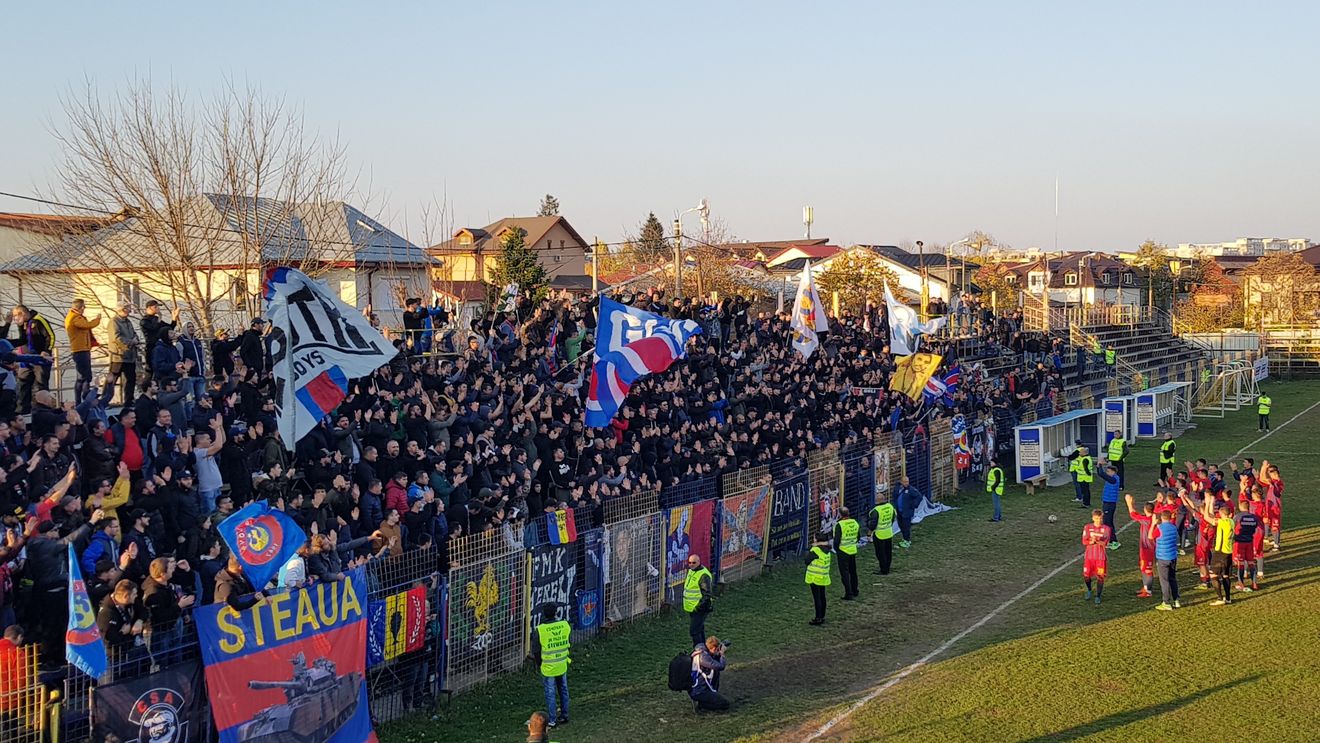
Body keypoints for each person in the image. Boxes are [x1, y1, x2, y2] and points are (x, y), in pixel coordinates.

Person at [530, 604, 570, 728]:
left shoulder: (541, 630)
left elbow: (536, 650)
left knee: (550, 692)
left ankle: (552, 720)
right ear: (556, 613)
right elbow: (568, 641)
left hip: (548, 666)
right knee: (563, 689)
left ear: (544, 614)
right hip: (562, 663)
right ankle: (565, 714)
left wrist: (539, 663)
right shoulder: (564, 625)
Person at [103, 302, 142, 404]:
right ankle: (104, 400)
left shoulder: (128, 321)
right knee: (113, 379)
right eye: (127, 309)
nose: (129, 311)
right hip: (118, 356)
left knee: (131, 379)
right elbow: (116, 338)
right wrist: (131, 342)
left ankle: (129, 400)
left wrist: (136, 340)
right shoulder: (114, 322)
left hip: (130, 355)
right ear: (121, 310)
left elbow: (134, 334)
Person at [64, 299, 101, 404]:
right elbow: (86, 325)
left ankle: (86, 396)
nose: (84, 309)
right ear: (79, 308)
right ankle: (80, 400)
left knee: (86, 376)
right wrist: (97, 319)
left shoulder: (75, 317)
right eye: (83, 307)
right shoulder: (74, 318)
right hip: (79, 350)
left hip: (83, 348)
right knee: (82, 376)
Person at [1125, 494, 1156, 597]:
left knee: (1147, 568)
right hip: (1146, 548)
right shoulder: (1153, 519)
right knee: (1143, 567)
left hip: (1148, 548)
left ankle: (1148, 591)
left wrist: (1129, 503)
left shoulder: (1146, 521)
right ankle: (1145, 587)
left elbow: (1133, 514)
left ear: (1145, 510)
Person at [689, 636, 730, 712]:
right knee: (725, 704)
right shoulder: (703, 656)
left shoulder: (702, 651)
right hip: (700, 690)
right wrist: (722, 654)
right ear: (713, 648)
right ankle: (703, 705)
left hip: (700, 688)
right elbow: (720, 666)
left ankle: (705, 701)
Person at [682, 553, 714, 648]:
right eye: (689, 562)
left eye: (694, 563)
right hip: (693, 607)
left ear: (699, 562)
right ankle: (704, 649)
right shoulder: (692, 571)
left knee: (694, 631)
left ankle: (699, 651)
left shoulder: (703, 575)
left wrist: (698, 607)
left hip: (700, 608)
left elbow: (707, 594)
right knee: (699, 629)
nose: (691, 564)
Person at [1081, 509, 1112, 605]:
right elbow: (1084, 541)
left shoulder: (1106, 529)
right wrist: (1090, 541)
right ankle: (1089, 590)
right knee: (1086, 576)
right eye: (1096, 518)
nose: (1098, 520)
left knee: (1100, 577)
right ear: (1093, 518)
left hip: (1100, 558)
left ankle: (1098, 596)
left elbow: (1105, 543)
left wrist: (1096, 540)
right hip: (1089, 557)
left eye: (1100, 518)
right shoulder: (1087, 527)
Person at [1152, 510, 1181, 610]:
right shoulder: (1173, 527)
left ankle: (1166, 602)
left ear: (1162, 518)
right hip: (1172, 556)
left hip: (1163, 558)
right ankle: (1176, 600)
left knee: (1164, 580)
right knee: (1172, 578)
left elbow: (1150, 536)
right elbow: (1177, 540)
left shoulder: (1160, 529)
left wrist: (1153, 524)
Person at [1209, 502, 1235, 606]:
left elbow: (1208, 517)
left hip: (1220, 552)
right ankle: (1228, 598)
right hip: (1229, 551)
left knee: (1213, 575)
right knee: (1225, 575)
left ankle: (1220, 598)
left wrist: (1209, 502)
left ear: (1221, 514)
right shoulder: (1231, 522)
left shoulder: (1222, 522)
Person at [1232, 499, 1261, 592]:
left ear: (1241, 507)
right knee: (1251, 563)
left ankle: (1241, 583)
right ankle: (1254, 583)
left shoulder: (1237, 517)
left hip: (1239, 543)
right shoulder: (1254, 517)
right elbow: (1256, 527)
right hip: (1250, 541)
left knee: (1240, 563)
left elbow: (1232, 527)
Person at [832, 507, 859, 600]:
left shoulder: (839, 525)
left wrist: (837, 549)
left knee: (845, 573)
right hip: (852, 550)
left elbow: (836, 540)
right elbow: (858, 536)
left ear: (840, 514)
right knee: (853, 572)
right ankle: (855, 590)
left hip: (843, 551)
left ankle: (849, 593)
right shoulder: (855, 522)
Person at [805, 533, 832, 625]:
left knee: (817, 599)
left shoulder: (815, 550)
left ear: (816, 540)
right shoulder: (827, 550)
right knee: (822, 597)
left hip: (815, 577)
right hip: (823, 576)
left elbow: (807, 561)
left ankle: (818, 618)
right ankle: (822, 616)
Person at [868, 493, 896, 575]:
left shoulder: (876, 510)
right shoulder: (890, 506)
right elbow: (893, 518)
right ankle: (887, 567)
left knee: (880, 553)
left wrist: (869, 534)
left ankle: (884, 570)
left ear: (877, 500)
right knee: (888, 552)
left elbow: (873, 524)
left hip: (879, 534)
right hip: (888, 532)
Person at [1096, 463, 1122, 549]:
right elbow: (1101, 474)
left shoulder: (1113, 479)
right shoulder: (1113, 479)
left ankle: (1114, 541)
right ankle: (1111, 540)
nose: (1107, 473)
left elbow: (1101, 474)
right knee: (1108, 522)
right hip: (1109, 502)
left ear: (1113, 472)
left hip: (1109, 503)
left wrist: (1099, 465)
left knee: (1108, 523)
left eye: (1108, 471)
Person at [892, 476, 918, 547]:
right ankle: (904, 538)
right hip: (899, 511)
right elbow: (894, 496)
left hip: (907, 512)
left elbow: (919, 496)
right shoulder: (897, 488)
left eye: (908, 482)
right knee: (901, 525)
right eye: (905, 482)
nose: (907, 483)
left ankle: (907, 540)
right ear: (901, 482)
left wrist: (913, 505)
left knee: (906, 526)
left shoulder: (911, 489)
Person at [986, 458, 1004, 522]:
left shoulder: (996, 470)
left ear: (994, 463)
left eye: (991, 462)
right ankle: (998, 516)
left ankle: (996, 517)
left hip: (996, 489)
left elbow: (997, 480)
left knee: (996, 504)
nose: (990, 463)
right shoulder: (996, 469)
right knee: (997, 503)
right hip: (997, 489)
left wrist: (993, 487)